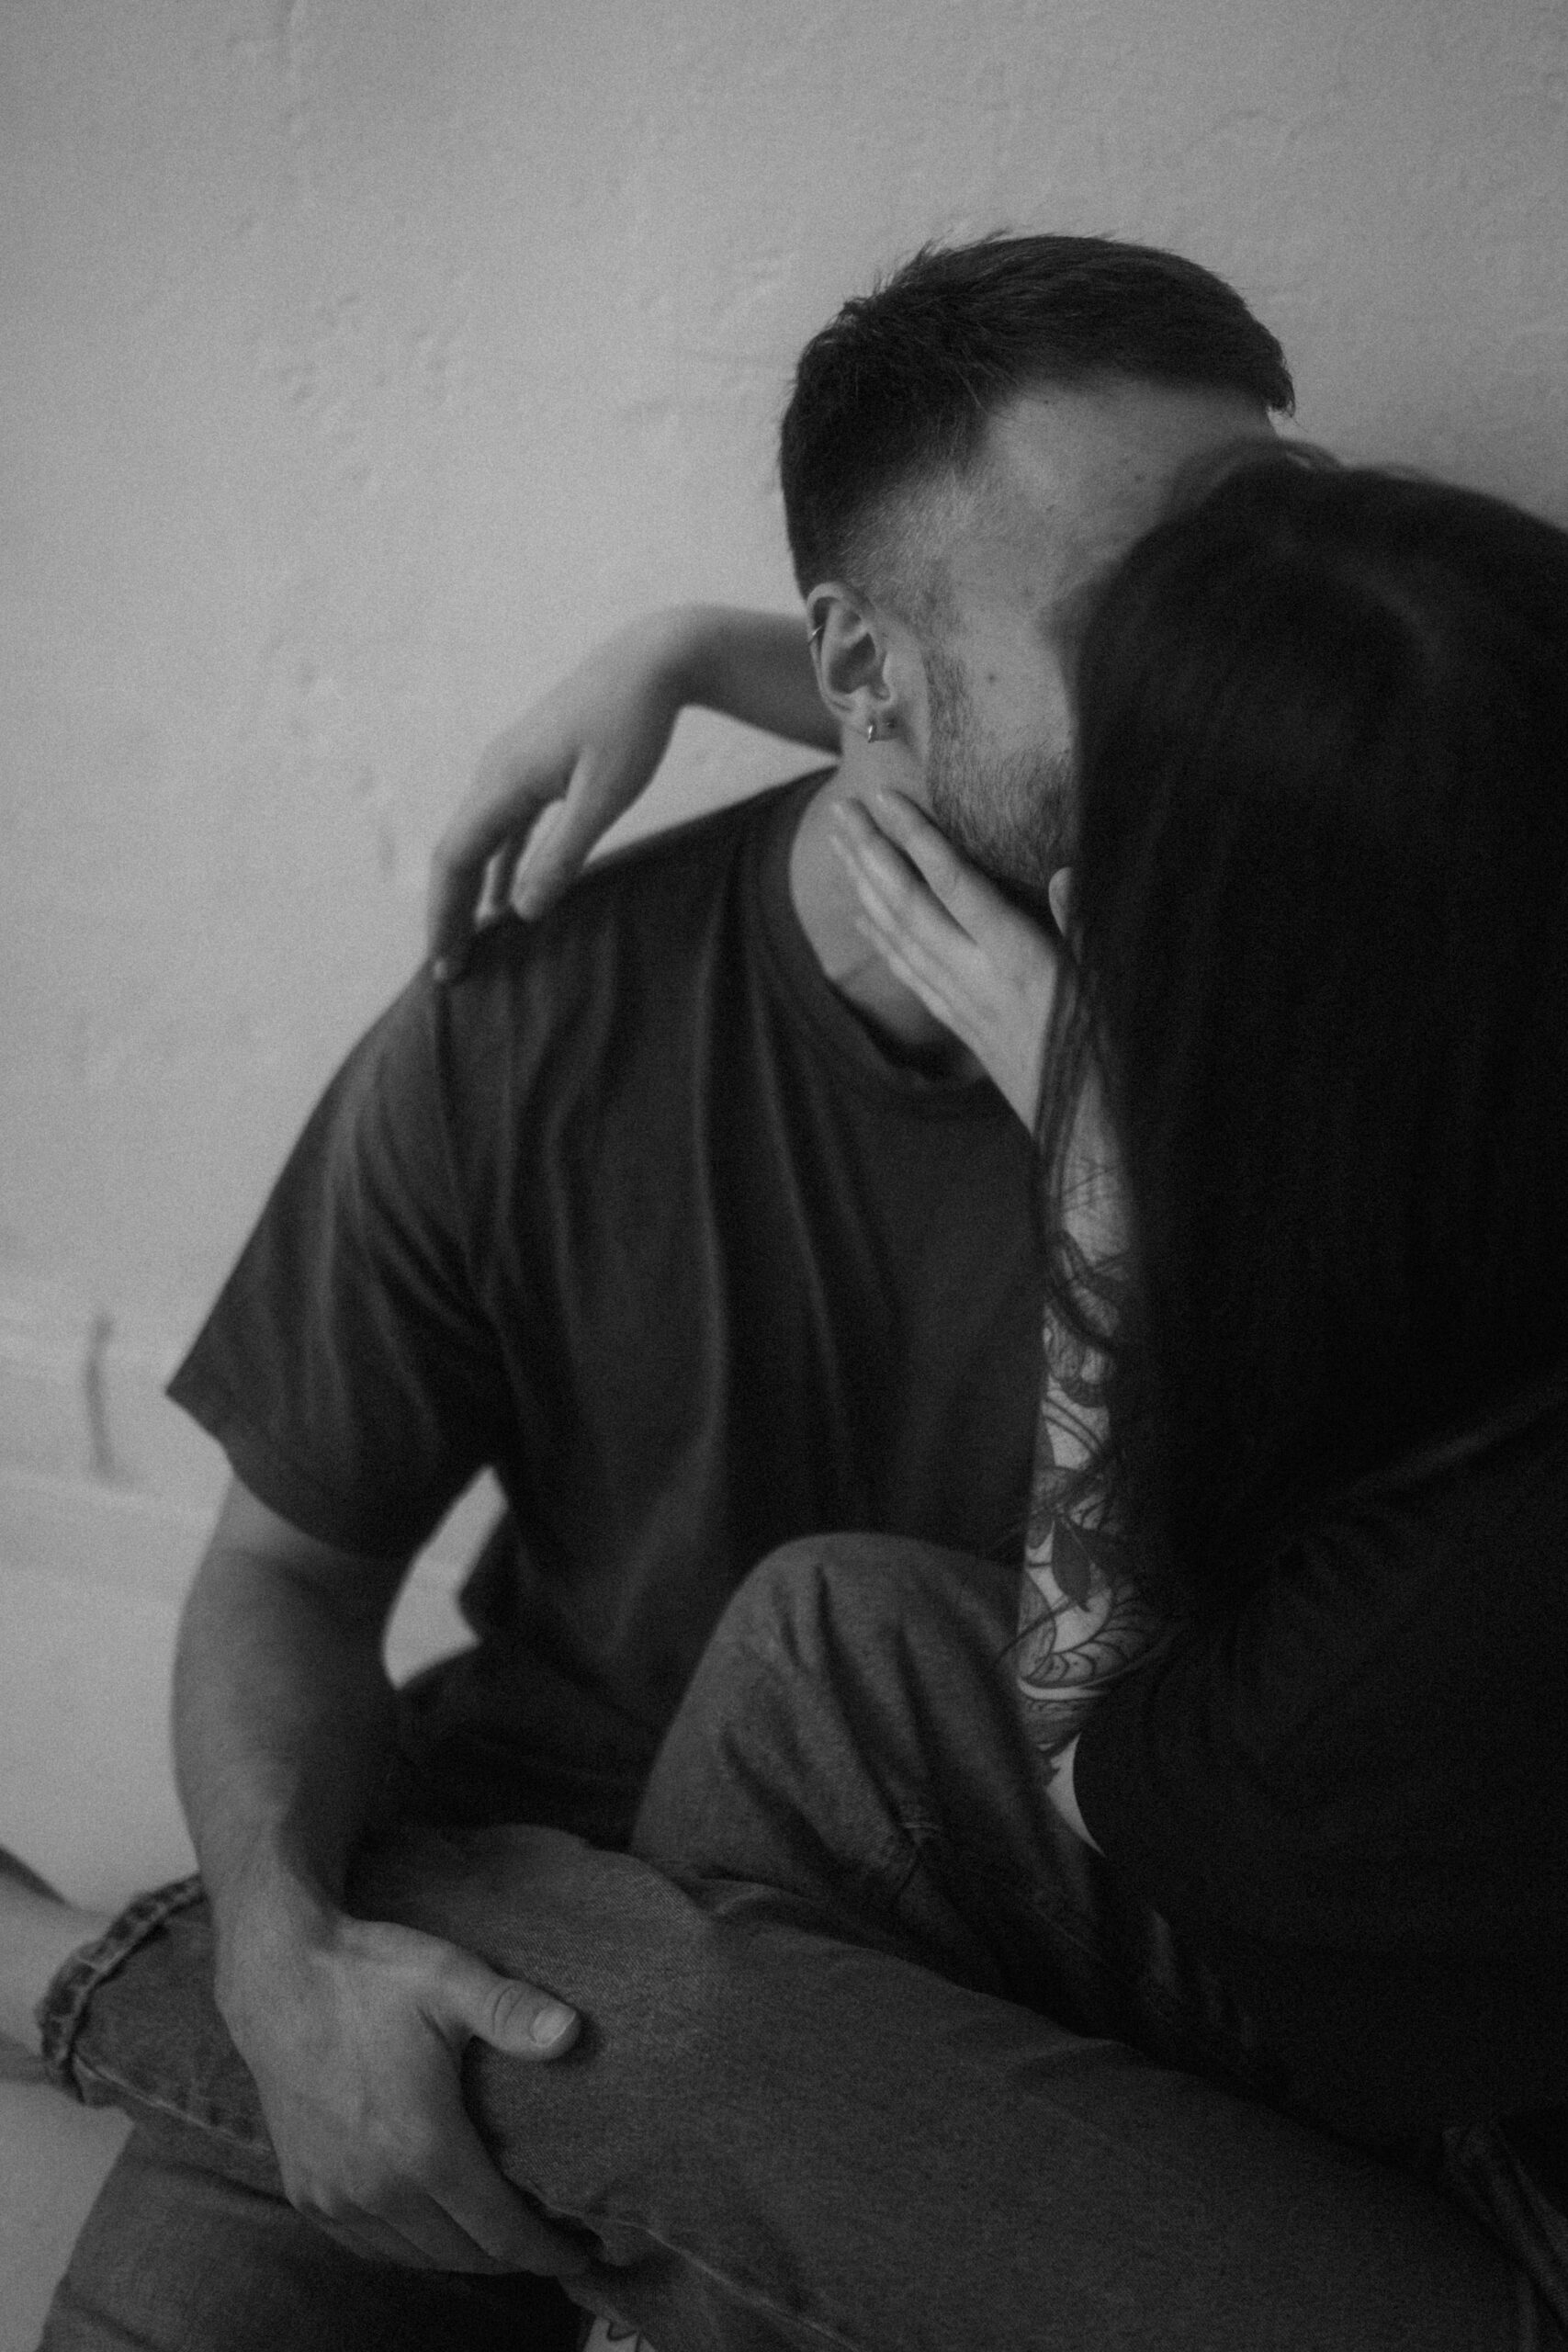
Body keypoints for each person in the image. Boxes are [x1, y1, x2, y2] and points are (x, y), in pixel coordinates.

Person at [15, 452, 1568, 2351]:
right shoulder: (535, 1011)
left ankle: (68, 1973)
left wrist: (1102, 1201)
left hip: (1486, 2210)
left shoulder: (1353, 1386)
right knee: (816, 1646)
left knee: (595, 2025)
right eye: (1126, 615)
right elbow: (289, 1570)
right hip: (1368, 1939)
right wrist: (703, 653)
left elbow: (1112, 1756)